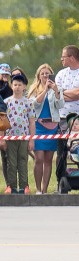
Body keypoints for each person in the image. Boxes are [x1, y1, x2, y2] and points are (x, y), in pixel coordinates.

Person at [28, 63, 63, 194]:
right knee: (39, 159)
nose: (45, 75)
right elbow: (34, 104)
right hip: (38, 126)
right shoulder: (34, 88)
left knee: (48, 160)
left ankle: (44, 190)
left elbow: (61, 104)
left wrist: (56, 91)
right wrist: (45, 91)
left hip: (52, 126)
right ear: (38, 76)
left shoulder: (56, 89)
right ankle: (37, 189)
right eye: (42, 73)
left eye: (47, 73)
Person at [2, 74, 35, 194]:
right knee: (11, 162)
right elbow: (2, 122)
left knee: (23, 160)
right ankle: (11, 186)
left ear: (24, 86)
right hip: (10, 137)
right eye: (15, 84)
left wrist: (31, 140)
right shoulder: (6, 102)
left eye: (19, 85)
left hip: (24, 137)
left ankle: (23, 186)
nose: (17, 87)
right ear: (11, 86)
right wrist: (2, 139)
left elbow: (32, 122)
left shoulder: (28, 102)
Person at [54, 46, 79, 193]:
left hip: (78, 118)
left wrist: (62, 94)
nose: (61, 59)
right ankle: (61, 182)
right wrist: (63, 94)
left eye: (63, 57)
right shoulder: (61, 74)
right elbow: (55, 95)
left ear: (72, 57)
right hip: (63, 118)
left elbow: (77, 94)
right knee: (62, 151)